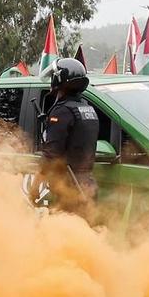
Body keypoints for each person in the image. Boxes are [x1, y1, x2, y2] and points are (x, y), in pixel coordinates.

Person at [39, 56, 100, 216]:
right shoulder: (88, 109)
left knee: (61, 231)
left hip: (68, 184)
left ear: (59, 79)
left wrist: (38, 182)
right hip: (87, 183)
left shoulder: (62, 111)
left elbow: (52, 153)